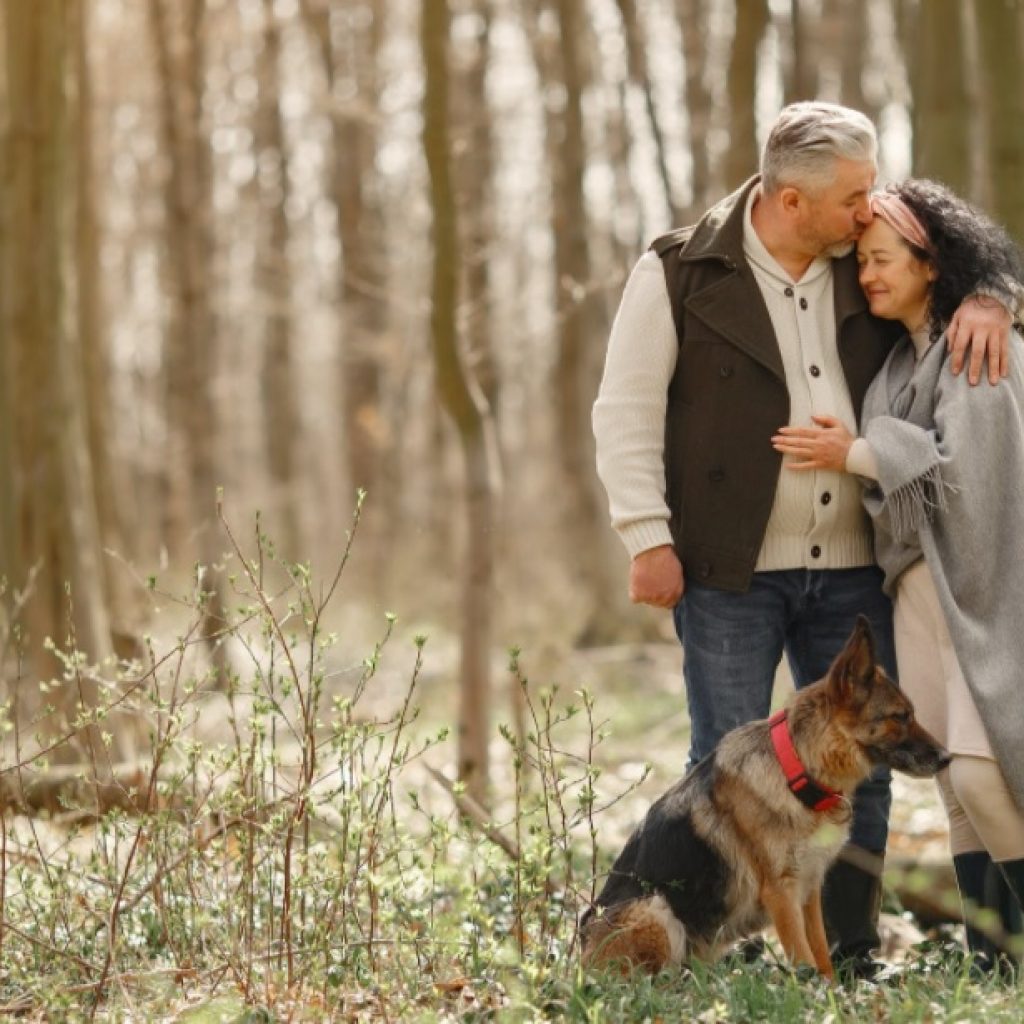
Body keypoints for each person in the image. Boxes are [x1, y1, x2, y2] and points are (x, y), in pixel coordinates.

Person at [592, 101, 1016, 973]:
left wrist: (996, 292)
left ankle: (851, 954)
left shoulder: (859, 266)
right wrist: (645, 534)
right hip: (730, 569)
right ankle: (733, 943)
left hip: (861, 563)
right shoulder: (679, 271)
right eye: (855, 196)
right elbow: (625, 409)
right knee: (725, 758)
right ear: (793, 200)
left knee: (859, 764)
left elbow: (943, 259)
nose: (870, 212)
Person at [771, 179, 1024, 968]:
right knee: (952, 783)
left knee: (986, 778)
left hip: (983, 592)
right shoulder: (896, 365)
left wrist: (855, 452)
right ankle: (995, 957)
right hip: (920, 596)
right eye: (863, 263)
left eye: (884, 260)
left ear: (931, 262)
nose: (869, 275)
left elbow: (973, 481)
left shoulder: (979, 345)